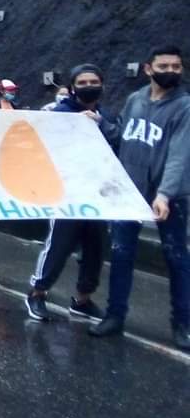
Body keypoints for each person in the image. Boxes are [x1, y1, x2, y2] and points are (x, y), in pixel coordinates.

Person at [90, 46, 190, 350]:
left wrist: (165, 194)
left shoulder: (185, 107)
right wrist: (98, 124)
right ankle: (115, 315)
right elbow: (123, 136)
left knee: (177, 259)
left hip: (169, 198)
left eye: (176, 66)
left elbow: (179, 155)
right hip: (129, 193)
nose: (171, 70)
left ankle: (183, 324)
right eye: (164, 65)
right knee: (121, 255)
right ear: (148, 69)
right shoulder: (134, 100)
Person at [25, 65, 117, 322]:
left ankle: (82, 300)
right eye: (83, 82)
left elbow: (117, 144)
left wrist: (102, 125)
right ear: (73, 87)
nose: (89, 86)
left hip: (97, 195)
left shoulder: (105, 116)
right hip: (65, 194)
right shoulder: (60, 114)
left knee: (95, 248)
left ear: (103, 85)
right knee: (59, 245)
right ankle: (37, 292)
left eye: (94, 81)